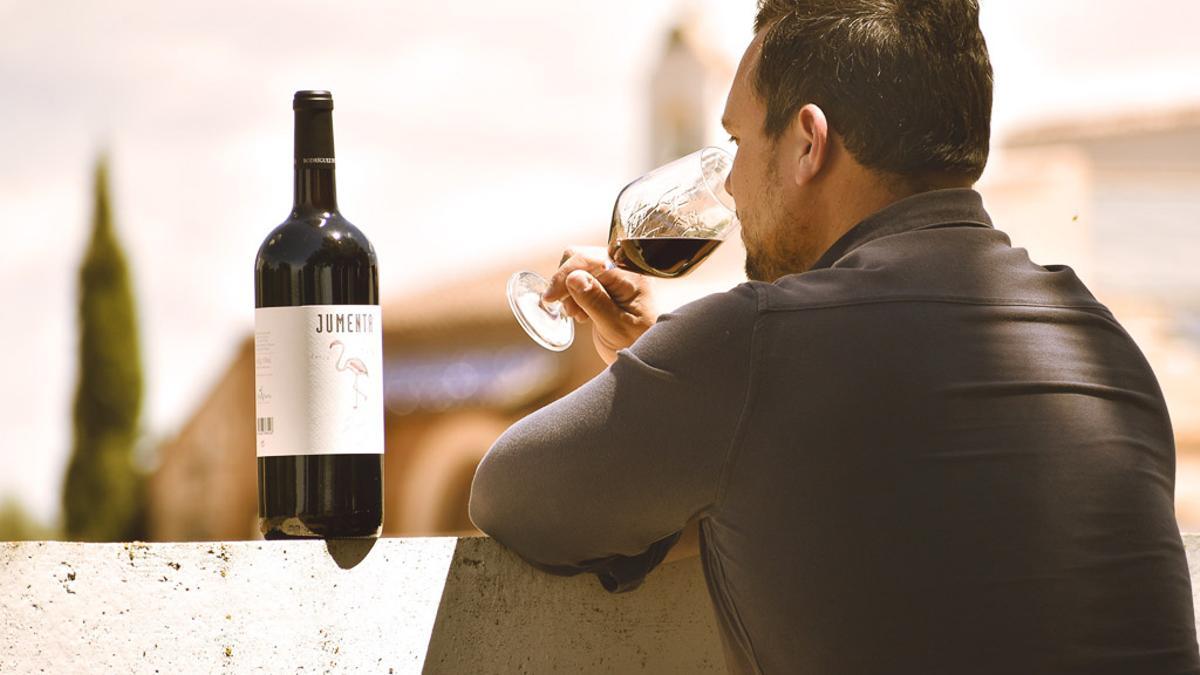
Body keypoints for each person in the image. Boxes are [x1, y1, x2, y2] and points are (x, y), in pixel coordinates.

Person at [469, 1, 1200, 673]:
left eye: (736, 141)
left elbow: (507, 493)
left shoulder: (750, 345)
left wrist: (681, 381)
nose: (726, 187)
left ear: (807, 143)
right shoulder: (1108, 352)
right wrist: (666, 371)